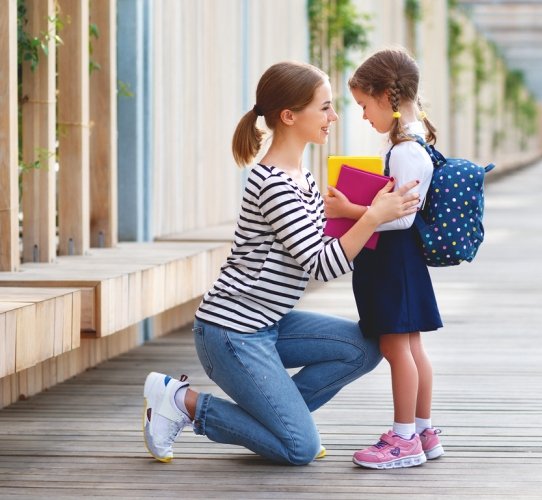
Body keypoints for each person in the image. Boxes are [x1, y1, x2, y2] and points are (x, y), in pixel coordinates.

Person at [141, 61, 421, 465]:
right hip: (231, 333)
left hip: (269, 323)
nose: (334, 116)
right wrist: (374, 216)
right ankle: (183, 402)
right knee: (298, 449)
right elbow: (321, 265)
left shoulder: (301, 177)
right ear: (289, 116)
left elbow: (321, 243)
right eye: (324, 107)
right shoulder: (273, 183)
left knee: (364, 347)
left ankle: (278, 422)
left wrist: (360, 211)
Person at [324, 47, 444, 469]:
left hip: (392, 263)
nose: (362, 115)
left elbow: (400, 219)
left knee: (398, 350)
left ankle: (404, 438)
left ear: (385, 96)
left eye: (363, 105)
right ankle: (423, 430)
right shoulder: (413, 143)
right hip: (401, 265)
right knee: (411, 348)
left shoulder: (405, 150)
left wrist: (348, 211)